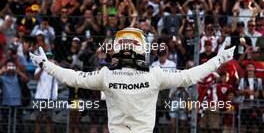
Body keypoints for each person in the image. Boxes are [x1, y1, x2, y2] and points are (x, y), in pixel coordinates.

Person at [30, 27, 235, 133]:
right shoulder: (154, 74)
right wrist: (218, 59)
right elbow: (188, 76)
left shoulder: (106, 74)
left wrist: (46, 65)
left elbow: (74, 78)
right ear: (142, 51)